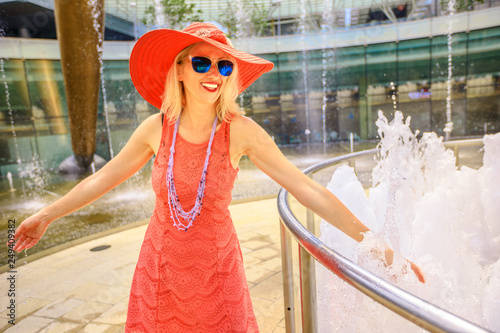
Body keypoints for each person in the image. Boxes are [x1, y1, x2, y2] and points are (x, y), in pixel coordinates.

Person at [11, 22, 424, 332]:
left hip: (216, 272)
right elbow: (101, 180)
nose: (214, 73)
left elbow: (307, 189)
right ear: (179, 70)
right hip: (161, 271)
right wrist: (48, 214)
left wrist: (376, 242)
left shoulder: (240, 131)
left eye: (224, 65)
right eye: (202, 61)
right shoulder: (157, 128)